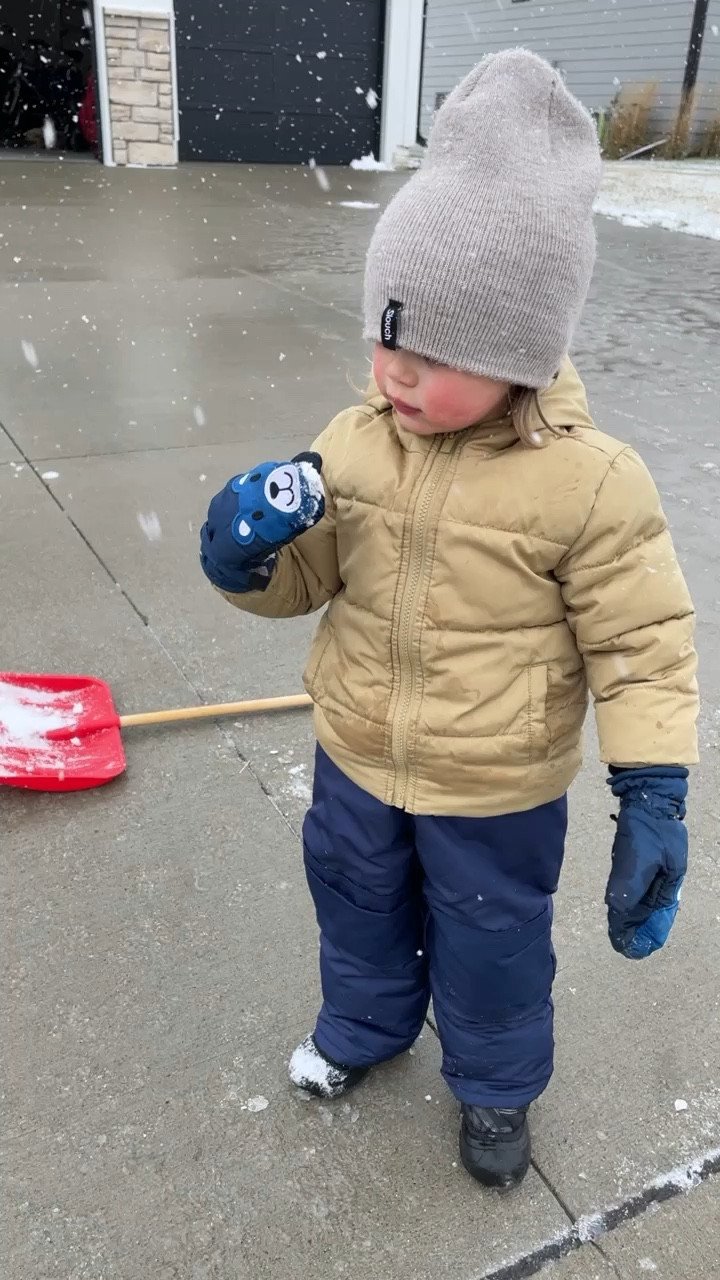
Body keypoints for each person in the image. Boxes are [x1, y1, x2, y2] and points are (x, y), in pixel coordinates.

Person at [200, 50, 698, 1190]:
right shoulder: (356, 435)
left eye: (430, 358)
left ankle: (496, 1085)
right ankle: (366, 1026)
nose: (395, 377)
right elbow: (303, 579)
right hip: (358, 757)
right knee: (357, 905)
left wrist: (653, 787)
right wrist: (243, 552)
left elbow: (642, 647)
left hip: (497, 788)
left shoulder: (590, 483)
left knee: (492, 948)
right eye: (386, 342)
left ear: (516, 354)